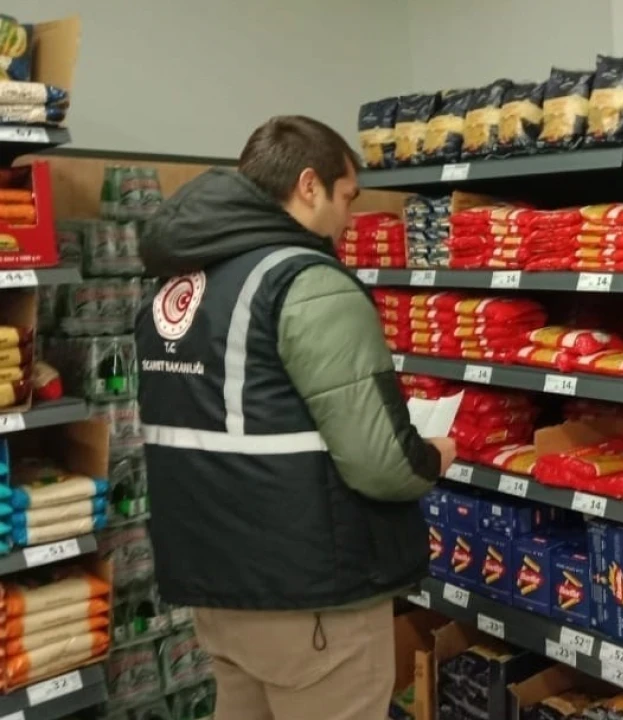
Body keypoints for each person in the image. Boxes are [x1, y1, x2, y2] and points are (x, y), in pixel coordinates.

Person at [135, 115, 455, 720]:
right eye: (347, 197)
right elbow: (380, 464)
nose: (350, 218)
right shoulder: (306, 282)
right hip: (312, 599)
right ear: (309, 185)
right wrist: (430, 457)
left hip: (217, 586)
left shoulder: (180, 283)